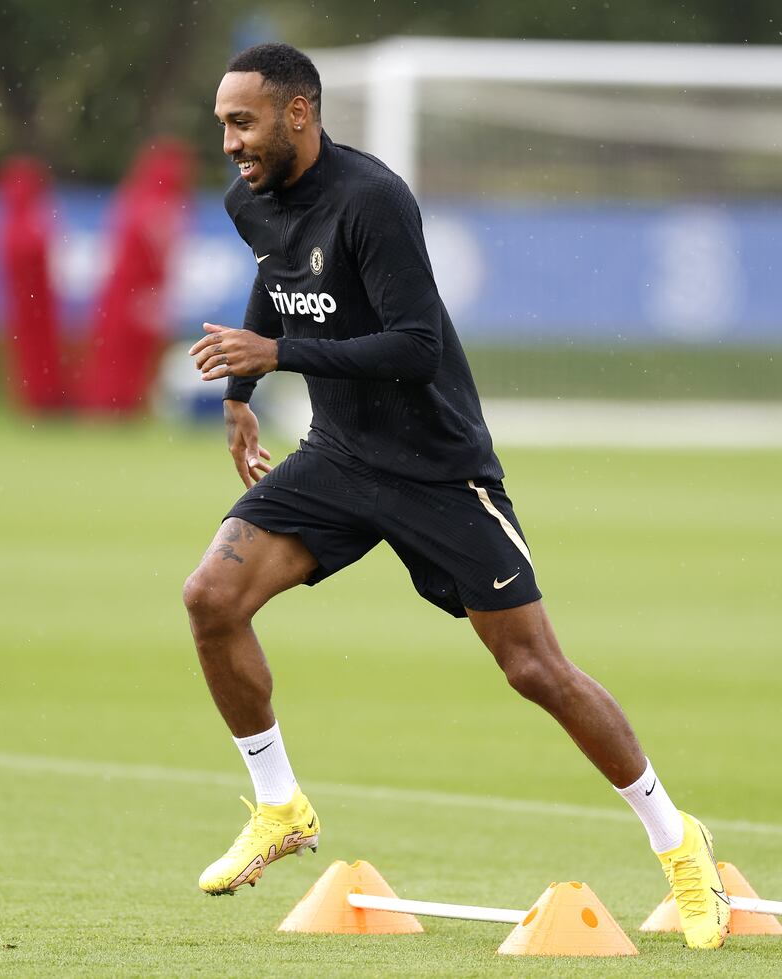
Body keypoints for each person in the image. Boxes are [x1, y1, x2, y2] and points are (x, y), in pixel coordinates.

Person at [185, 42, 729, 949]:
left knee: (535, 671)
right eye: (221, 126)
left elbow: (415, 348)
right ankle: (281, 806)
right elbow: (275, 276)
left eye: (242, 123)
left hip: (439, 469)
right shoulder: (250, 200)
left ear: (298, 115)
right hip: (338, 457)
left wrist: (276, 358)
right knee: (210, 597)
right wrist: (241, 395)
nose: (230, 143)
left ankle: (680, 845)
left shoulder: (373, 199)